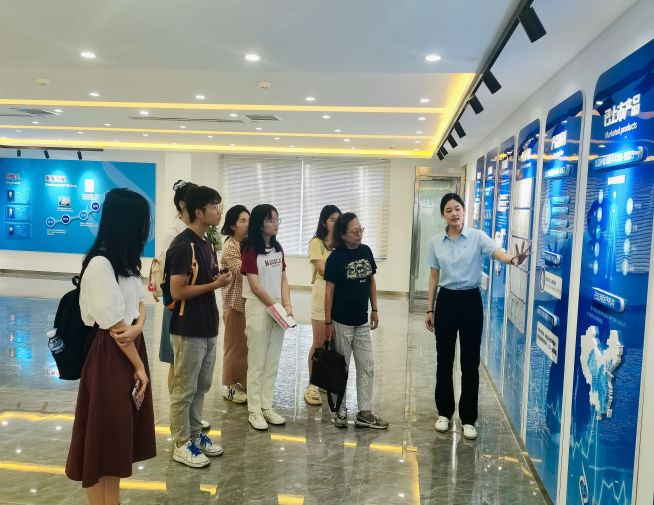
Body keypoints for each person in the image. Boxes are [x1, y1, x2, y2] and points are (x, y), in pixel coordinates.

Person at [65, 188, 156, 504]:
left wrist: (138, 327)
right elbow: (116, 328)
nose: (146, 228)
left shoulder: (125, 261)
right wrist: (139, 366)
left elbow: (140, 305)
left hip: (128, 349)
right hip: (110, 356)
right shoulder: (101, 264)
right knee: (102, 440)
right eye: (143, 222)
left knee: (115, 441)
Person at [425, 193, 532, 440]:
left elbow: (498, 253)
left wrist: (514, 259)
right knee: (444, 360)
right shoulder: (435, 242)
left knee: (470, 362)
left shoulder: (477, 237)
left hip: (471, 301)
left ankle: (468, 419)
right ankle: (444, 413)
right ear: (443, 214)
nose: (454, 213)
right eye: (449, 210)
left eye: (457, 208)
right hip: (446, 301)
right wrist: (430, 309)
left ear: (464, 211)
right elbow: (433, 276)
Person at [167, 186, 232, 468]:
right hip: (188, 327)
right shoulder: (183, 245)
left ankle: (194, 435)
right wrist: (215, 285)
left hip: (208, 325)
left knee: (201, 386)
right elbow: (177, 291)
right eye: (214, 206)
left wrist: (217, 276)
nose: (219, 211)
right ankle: (181, 443)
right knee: (184, 390)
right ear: (199, 212)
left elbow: (202, 278)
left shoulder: (206, 243)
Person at [324, 212, 388, 430]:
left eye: (361, 229)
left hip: (361, 321)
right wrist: (328, 323)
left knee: (367, 364)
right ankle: (340, 410)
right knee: (341, 368)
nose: (359, 234)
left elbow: (371, 281)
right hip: (341, 321)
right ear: (343, 234)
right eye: (355, 231)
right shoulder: (335, 258)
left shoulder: (366, 251)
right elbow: (329, 293)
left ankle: (365, 413)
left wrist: (375, 309)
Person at [158, 180, 211, 430]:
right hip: (180, 309)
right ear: (186, 205)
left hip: (198, 311)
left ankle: (191, 422)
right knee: (178, 367)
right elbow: (171, 280)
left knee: (196, 375)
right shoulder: (176, 237)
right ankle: (180, 426)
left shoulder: (202, 237)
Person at [241, 204, 292, 430]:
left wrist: (286, 304)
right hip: (259, 306)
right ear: (260, 223)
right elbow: (255, 286)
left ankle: (267, 406)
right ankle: (254, 410)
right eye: (271, 220)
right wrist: (276, 306)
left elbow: (283, 279)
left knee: (272, 360)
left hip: (277, 306)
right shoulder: (250, 249)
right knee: (257, 361)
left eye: (277, 219)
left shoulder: (278, 248)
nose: (276, 223)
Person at [305, 205, 341, 406]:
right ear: (323, 222)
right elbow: (322, 269)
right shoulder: (316, 243)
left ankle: (327, 380)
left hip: (340, 295)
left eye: (338, 218)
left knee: (335, 342)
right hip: (322, 293)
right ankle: (312, 385)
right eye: (332, 219)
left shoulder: (343, 242)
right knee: (319, 342)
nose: (336, 222)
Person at [220, 205, 250, 404]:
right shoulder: (231, 246)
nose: (248, 224)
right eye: (243, 221)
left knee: (245, 345)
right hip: (234, 302)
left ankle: (243, 382)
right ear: (232, 225)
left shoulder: (246, 244)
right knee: (234, 346)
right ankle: (230, 387)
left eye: (249, 221)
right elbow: (242, 269)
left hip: (247, 302)